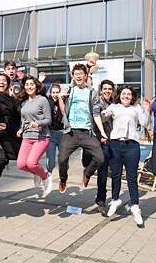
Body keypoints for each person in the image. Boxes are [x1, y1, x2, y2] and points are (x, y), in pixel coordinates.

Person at [102, 85, 150, 225]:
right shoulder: (114, 106)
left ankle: (135, 206)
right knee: (115, 175)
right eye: (124, 94)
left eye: (129, 94)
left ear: (132, 96)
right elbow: (104, 118)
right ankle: (115, 199)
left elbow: (145, 123)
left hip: (132, 146)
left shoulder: (136, 108)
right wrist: (106, 113)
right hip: (115, 144)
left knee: (132, 177)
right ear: (120, 95)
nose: (126, 96)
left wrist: (146, 109)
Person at [57, 63, 104, 193]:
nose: (78, 76)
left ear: (85, 76)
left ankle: (87, 173)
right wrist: (61, 99)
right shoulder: (69, 90)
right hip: (70, 133)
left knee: (100, 158)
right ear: (72, 75)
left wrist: (102, 132)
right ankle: (63, 179)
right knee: (61, 159)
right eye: (76, 73)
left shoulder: (93, 93)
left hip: (87, 133)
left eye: (81, 73)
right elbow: (63, 112)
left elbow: (96, 113)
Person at [17, 76, 52, 196]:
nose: (29, 87)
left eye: (31, 84)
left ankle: (45, 177)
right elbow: (23, 120)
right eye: (27, 85)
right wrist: (21, 129)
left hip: (41, 136)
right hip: (27, 137)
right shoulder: (24, 103)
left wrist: (38, 123)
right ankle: (37, 173)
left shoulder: (42, 100)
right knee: (21, 164)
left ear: (36, 86)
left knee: (31, 163)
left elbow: (48, 120)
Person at [84, 79, 114, 216]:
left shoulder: (115, 104)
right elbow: (96, 119)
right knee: (85, 162)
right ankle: (87, 172)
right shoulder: (95, 102)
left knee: (103, 171)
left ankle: (101, 200)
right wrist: (107, 113)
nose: (107, 91)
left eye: (110, 89)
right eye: (105, 89)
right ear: (101, 90)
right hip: (92, 139)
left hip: (107, 141)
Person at [45, 83, 65, 175]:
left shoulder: (63, 101)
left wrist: (62, 99)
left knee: (64, 160)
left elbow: (64, 113)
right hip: (50, 134)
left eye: (57, 92)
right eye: (53, 92)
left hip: (62, 133)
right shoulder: (47, 102)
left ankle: (63, 177)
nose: (55, 94)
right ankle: (48, 175)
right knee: (51, 162)